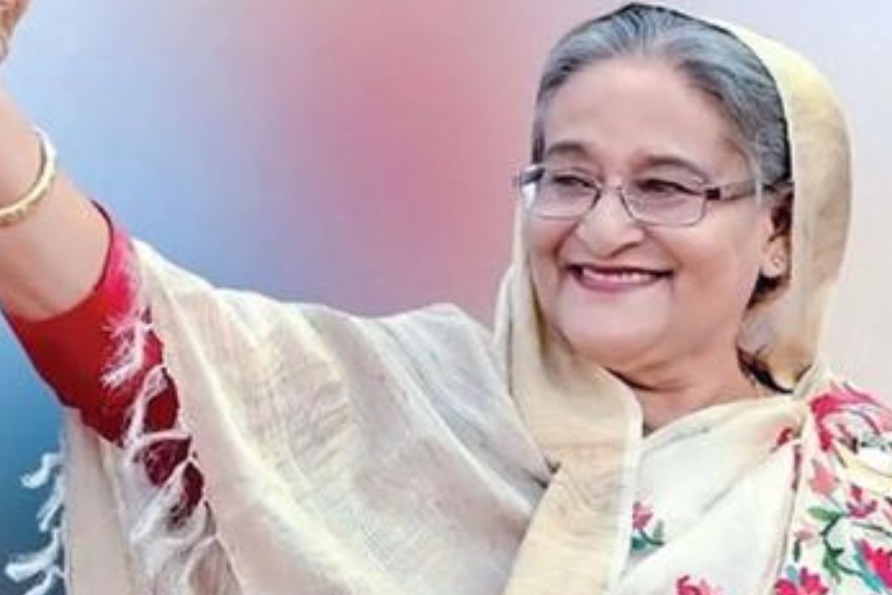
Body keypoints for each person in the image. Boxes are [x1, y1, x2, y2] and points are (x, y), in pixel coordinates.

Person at [1, 2, 891, 594]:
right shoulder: (398, 406)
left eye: (665, 187)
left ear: (780, 229)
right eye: (568, 177)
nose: (602, 226)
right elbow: (124, 341)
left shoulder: (861, 483)